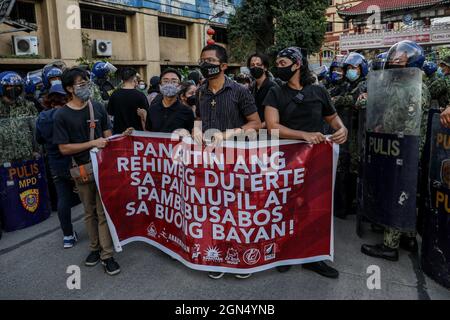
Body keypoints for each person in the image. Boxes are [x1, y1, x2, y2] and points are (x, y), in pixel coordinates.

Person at [264, 47, 348, 279]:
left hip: (315, 162)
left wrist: (342, 129)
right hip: (284, 161)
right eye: (277, 63)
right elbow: (272, 127)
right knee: (285, 206)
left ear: (297, 64)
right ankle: (285, 252)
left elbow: (332, 118)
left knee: (314, 209)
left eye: (282, 62)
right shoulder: (275, 93)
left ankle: (313, 256)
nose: (278, 67)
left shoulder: (319, 91)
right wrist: (303, 135)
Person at [194, 44, 262, 279]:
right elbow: (199, 119)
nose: (205, 65)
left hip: (235, 162)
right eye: (202, 60)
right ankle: (218, 255)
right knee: (214, 211)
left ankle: (241, 256)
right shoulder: (200, 91)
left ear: (223, 66)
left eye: (210, 61)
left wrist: (227, 134)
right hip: (209, 162)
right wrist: (196, 134)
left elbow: (256, 123)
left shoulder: (239, 91)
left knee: (237, 211)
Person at [361, 40, 431, 261]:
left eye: (400, 57)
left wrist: (399, 143)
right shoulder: (400, 84)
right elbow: (392, 113)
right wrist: (382, 126)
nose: (394, 60)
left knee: (397, 192)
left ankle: (389, 246)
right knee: (405, 191)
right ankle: (408, 237)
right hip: (395, 143)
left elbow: (410, 125)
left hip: (404, 148)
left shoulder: (417, 87)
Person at [53, 67, 121, 276]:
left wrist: (120, 138)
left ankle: (107, 255)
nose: (86, 87)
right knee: (89, 212)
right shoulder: (61, 115)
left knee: (102, 213)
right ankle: (94, 248)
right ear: (69, 89)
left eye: (87, 82)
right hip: (81, 170)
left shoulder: (98, 107)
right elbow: (63, 148)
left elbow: (108, 138)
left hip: (102, 168)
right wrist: (92, 142)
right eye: (81, 84)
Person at [36, 84, 79, 248]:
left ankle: (68, 236)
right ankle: (97, 232)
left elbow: (39, 139)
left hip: (55, 163)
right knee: (87, 196)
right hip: (75, 162)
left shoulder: (42, 117)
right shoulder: (69, 114)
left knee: (63, 199)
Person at [0, 71, 39, 164]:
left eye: (17, 86)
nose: (13, 89)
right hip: (4, 160)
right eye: (9, 86)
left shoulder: (28, 106)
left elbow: (36, 131)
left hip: (27, 158)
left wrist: (36, 151)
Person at [145, 69, 194, 133]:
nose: (169, 84)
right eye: (165, 81)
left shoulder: (187, 112)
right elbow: (148, 133)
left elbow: (191, 135)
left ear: (180, 86)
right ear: (160, 85)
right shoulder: (152, 109)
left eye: (174, 81)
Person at [107, 67, 150, 134]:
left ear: (122, 80)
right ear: (135, 79)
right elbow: (147, 117)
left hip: (119, 135)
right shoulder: (140, 96)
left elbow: (110, 115)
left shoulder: (115, 94)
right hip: (137, 136)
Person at [247, 52, 279, 127]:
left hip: (268, 131)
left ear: (265, 67)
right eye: (252, 65)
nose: (255, 67)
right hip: (254, 129)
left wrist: (259, 127)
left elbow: (278, 113)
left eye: (258, 65)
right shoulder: (251, 87)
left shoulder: (273, 87)